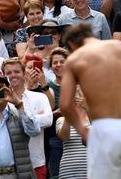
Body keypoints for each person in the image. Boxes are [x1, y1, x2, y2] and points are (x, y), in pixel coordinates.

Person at [60, 22, 121, 179]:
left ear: (71, 45)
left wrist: (82, 130)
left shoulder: (75, 59)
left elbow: (65, 105)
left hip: (104, 129)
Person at [21, 54, 53, 178]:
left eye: (36, 67)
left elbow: (51, 110)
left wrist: (43, 83)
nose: (33, 70)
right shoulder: (18, 91)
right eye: (29, 67)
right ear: (23, 72)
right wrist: (28, 86)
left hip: (42, 143)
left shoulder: (45, 90)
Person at [44, 47, 68, 177]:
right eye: (55, 62)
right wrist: (56, 113)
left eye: (62, 62)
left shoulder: (78, 85)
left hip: (77, 138)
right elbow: (44, 115)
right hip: (55, 139)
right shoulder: (48, 87)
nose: (58, 65)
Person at [56, 87, 88, 179]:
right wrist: (69, 112)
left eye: (79, 92)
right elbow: (64, 137)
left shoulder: (95, 118)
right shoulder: (61, 119)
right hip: (69, 172)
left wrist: (87, 108)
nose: (76, 96)